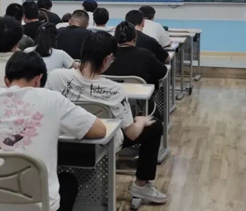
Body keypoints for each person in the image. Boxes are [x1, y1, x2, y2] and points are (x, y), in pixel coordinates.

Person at [0, 51, 106, 211]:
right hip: (38, 206)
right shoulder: (52, 99)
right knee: (68, 181)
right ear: (39, 79)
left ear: (6, 80)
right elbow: (99, 130)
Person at [47, 31, 167, 205]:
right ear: (107, 59)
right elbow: (132, 134)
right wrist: (140, 121)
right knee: (154, 125)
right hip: (101, 144)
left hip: (62, 142)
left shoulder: (56, 76)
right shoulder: (115, 90)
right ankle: (141, 185)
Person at [106, 21, 168, 88]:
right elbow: (162, 74)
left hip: (110, 92)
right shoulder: (145, 55)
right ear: (135, 38)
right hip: (140, 93)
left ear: (115, 37)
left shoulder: (106, 55)